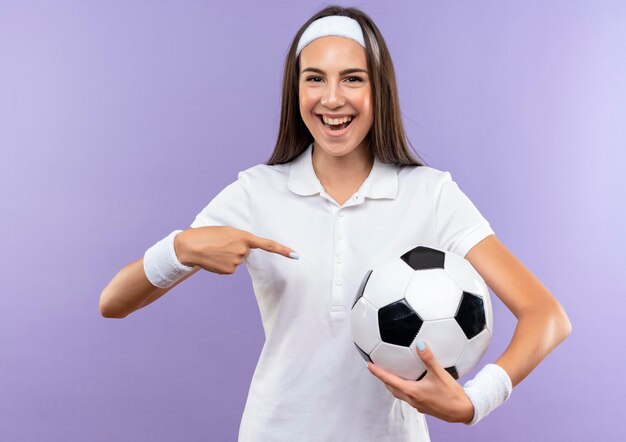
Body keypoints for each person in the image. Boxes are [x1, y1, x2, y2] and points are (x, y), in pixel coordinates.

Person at [99, 5, 572, 441]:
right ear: (295, 90)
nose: (332, 99)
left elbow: (546, 316)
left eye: (352, 79)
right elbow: (113, 301)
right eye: (314, 79)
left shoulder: (429, 194)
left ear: (377, 88)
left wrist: (475, 402)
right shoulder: (256, 192)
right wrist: (181, 248)